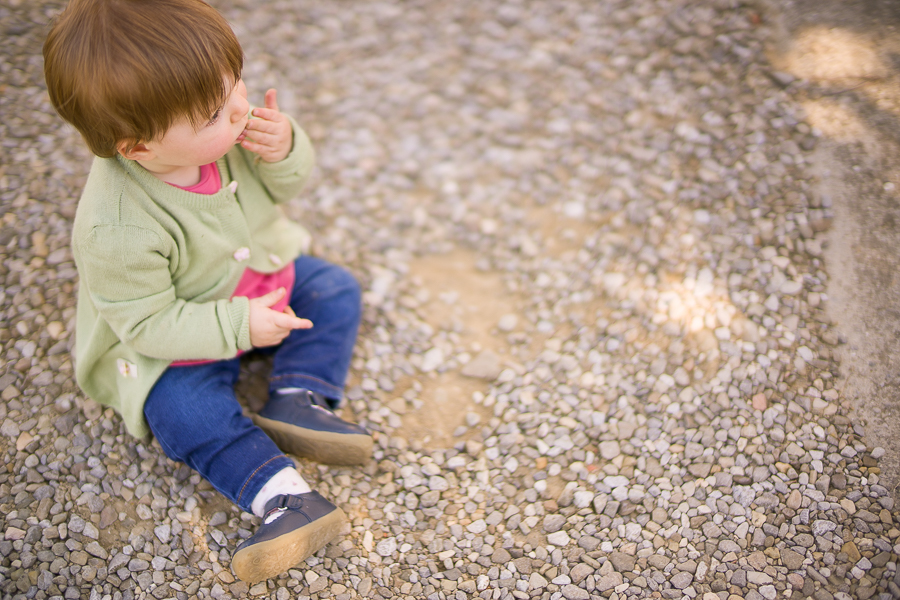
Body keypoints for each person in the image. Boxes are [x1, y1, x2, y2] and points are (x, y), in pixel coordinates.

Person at [42, 0, 373, 584]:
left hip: (255, 278)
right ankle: (285, 497)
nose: (241, 107)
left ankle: (298, 398)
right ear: (137, 148)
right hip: (177, 333)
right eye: (215, 112)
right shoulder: (116, 228)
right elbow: (147, 326)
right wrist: (239, 326)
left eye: (235, 83)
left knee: (335, 289)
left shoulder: (227, 134)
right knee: (180, 408)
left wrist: (285, 147)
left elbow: (287, 186)